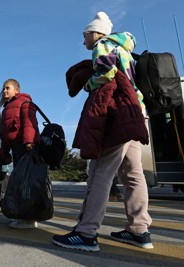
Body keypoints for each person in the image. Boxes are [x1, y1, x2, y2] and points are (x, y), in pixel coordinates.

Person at [52, 11, 152, 252]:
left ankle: (86, 233)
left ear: (95, 32)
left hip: (117, 116)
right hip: (137, 113)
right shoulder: (125, 50)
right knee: (133, 175)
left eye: (84, 35)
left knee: (100, 172)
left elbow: (106, 74)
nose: (83, 40)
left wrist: (87, 84)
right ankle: (139, 230)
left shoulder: (103, 45)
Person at [0, 78, 40, 229]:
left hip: (24, 147)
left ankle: (28, 218)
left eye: (7, 88)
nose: (4, 91)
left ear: (17, 90)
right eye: (3, 88)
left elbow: (29, 122)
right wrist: (4, 152)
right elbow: (5, 133)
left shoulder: (23, 102)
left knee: (25, 183)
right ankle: (24, 216)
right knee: (20, 182)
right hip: (16, 148)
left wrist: (29, 141)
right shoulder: (7, 107)